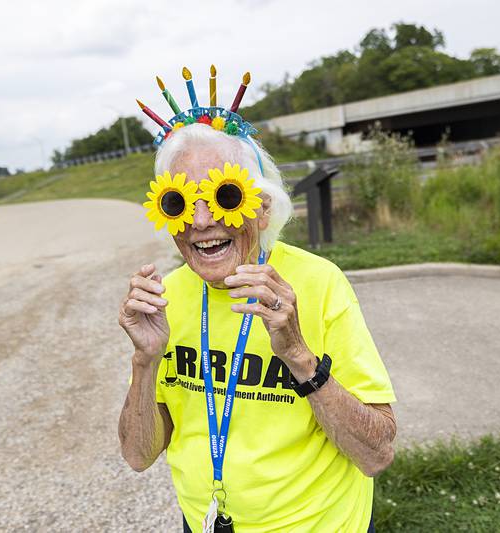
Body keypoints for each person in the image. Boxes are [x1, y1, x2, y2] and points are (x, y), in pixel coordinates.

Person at [118, 74, 396, 532]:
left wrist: (299, 357)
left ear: (263, 207)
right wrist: (144, 360)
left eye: (225, 196)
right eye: (181, 203)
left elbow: (376, 453)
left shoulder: (319, 283)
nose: (202, 221)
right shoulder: (167, 297)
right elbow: (137, 455)